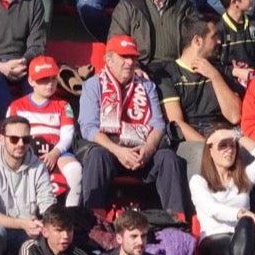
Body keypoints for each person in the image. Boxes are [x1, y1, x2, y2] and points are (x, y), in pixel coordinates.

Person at [76, 34, 188, 213]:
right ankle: (93, 220)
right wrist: (119, 151)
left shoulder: (147, 86)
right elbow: (88, 127)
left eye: (133, 57)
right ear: (108, 60)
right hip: (110, 150)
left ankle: (175, 222)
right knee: (97, 157)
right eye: (124, 57)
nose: (129, 62)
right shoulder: (93, 85)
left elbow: (158, 125)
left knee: (168, 158)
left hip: (141, 151)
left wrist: (149, 148)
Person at [159, 17, 246, 171]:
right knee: (201, 154)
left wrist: (215, 76)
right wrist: (209, 147)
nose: (219, 41)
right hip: (191, 140)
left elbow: (234, 116)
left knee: (254, 153)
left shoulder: (218, 70)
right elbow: (177, 123)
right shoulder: (169, 74)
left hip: (223, 134)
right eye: (214, 36)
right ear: (197, 40)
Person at [189, 123, 255, 255]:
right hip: (212, 239)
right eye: (222, 145)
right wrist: (240, 213)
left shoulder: (243, 179)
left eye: (232, 145)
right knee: (252, 246)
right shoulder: (199, 181)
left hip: (241, 237)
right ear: (210, 151)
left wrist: (235, 133)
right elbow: (212, 208)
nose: (229, 150)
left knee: (251, 239)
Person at [0, 116, 55, 247]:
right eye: (14, 139)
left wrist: (46, 224)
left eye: (26, 139)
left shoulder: (38, 166)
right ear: (2, 139)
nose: (20, 144)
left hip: (30, 231)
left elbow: (48, 204)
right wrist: (22, 223)